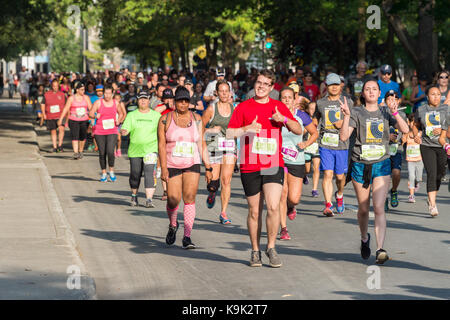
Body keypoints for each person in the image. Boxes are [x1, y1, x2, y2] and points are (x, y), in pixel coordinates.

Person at [227, 69, 303, 268]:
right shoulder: (243, 107)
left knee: (273, 206)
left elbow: (298, 130)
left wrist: (283, 120)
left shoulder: (277, 107)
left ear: (271, 88)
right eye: (258, 82)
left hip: (272, 163)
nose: (261, 86)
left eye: (265, 84)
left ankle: (271, 247)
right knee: (254, 211)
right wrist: (246, 129)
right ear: (255, 83)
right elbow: (228, 133)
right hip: (249, 163)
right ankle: (255, 250)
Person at [340, 79, 409, 264]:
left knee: (378, 207)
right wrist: (346, 116)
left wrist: (395, 112)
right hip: (360, 164)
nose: (371, 92)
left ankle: (380, 249)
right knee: (363, 209)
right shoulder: (356, 111)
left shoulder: (386, 111)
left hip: (382, 163)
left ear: (380, 93)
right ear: (362, 94)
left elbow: (406, 130)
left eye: (374, 89)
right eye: (367, 89)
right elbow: (344, 136)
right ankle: (364, 238)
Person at [158, 86, 204, 249]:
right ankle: (173, 224)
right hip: (172, 163)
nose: (183, 104)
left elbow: (201, 143)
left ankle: (187, 236)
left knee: (189, 197)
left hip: (192, 162)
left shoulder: (197, 119)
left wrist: (210, 166)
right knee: (173, 199)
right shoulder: (165, 119)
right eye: (180, 101)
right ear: (175, 101)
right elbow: (161, 145)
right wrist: (163, 168)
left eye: (186, 101)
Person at [279, 88, 318, 240]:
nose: (287, 100)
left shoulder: (301, 116)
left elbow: (314, 133)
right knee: (282, 193)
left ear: (295, 99)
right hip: (279, 159)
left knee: (294, 198)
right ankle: (283, 229)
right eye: (284, 98)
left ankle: (291, 206)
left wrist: (306, 143)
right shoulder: (276, 115)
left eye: (290, 97)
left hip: (297, 159)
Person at [314, 73, 354, 216]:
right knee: (327, 174)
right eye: (331, 85)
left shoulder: (348, 101)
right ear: (326, 86)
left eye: (336, 85)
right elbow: (315, 119)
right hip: (326, 144)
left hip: (342, 144)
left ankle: (340, 194)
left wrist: (343, 123)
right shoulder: (321, 103)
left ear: (340, 85)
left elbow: (353, 120)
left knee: (340, 177)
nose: (334, 88)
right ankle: (328, 204)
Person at [201, 80, 237, 224]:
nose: (224, 93)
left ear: (230, 93)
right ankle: (212, 192)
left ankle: (223, 212)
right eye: (221, 91)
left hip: (229, 146)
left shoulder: (234, 108)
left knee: (226, 180)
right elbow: (200, 128)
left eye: (226, 91)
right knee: (213, 182)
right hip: (214, 145)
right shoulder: (211, 108)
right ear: (216, 92)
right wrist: (210, 130)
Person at [121, 90, 161, 208]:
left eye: (145, 98)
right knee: (135, 174)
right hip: (135, 150)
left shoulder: (156, 115)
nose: (143, 101)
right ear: (137, 100)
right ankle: (134, 196)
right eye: (141, 98)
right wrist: (124, 131)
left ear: (149, 100)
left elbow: (162, 131)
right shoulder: (131, 115)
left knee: (149, 173)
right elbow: (125, 128)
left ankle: (149, 199)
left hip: (151, 149)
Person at [412, 87, 448, 217]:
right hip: (427, 146)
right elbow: (415, 125)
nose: (436, 97)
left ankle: (432, 196)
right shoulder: (421, 110)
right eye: (433, 94)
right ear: (427, 96)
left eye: (438, 94)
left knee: (440, 174)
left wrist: (442, 129)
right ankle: (432, 204)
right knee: (432, 173)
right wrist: (416, 135)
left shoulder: (446, 109)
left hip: (441, 145)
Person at [90, 85, 125, 182]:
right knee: (102, 152)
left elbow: (121, 113)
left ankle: (112, 171)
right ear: (103, 93)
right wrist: (96, 115)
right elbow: (91, 113)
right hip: (99, 131)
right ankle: (104, 173)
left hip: (112, 130)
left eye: (109, 93)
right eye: (106, 93)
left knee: (110, 151)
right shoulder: (98, 102)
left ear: (113, 93)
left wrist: (119, 120)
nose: (107, 95)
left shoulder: (115, 102)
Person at [385, 90, 407, 211]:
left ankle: (393, 191)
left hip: (397, 148)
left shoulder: (402, 114)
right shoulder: (381, 113)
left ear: (398, 101)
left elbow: (406, 129)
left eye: (395, 99)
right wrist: (387, 137)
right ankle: (383, 197)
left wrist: (405, 137)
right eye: (389, 99)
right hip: (383, 149)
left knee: (396, 173)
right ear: (385, 101)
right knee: (384, 176)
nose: (392, 101)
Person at [58, 82, 92, 159]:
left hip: (84, 119)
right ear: (77, 90)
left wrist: (95, 116)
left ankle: (80, 151)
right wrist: (60, 119)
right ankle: (76, 152)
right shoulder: (71, 98)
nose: (83, 91)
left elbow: (91, 108)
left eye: (84, 90)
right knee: (75, 136)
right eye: (81, 90)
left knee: (82, 136)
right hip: (73, 120)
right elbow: (66, 109)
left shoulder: (86, 97)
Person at [41, 79, 66, 152]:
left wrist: (67, 115)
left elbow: (66, 105)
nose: (55, 87)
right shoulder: (46, 94)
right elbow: (42, 104)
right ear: (51, 86)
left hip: (60, 115)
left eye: (57, 86)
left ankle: (60, 146)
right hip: (50, 115)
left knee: (61, 129)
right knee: (53, 131)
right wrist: (43, 114)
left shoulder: (62, 94)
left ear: (58, 86)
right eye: (54, 86)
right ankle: (55, 147)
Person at [404, 113, 423, 203]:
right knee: (411, 176)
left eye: (415, 123)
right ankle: (411, 195)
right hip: (410, 160)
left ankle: (417, 182)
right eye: (411, 122)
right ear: (408, 122)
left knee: (418, 178)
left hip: (419, 159)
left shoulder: (420, 134)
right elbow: (401, 142)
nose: (413, 124)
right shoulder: (406, 134)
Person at [303, 101, 321, 197]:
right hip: (306, 147)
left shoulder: (320, 120)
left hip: (316, 147)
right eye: (311, 108)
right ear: (307, 110)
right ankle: (304, 175)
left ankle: (314, 189)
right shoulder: (305, 119)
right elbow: (301, 132)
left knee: (316, 168)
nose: (313, 110)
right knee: (307, 169)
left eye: (315, 108)